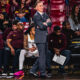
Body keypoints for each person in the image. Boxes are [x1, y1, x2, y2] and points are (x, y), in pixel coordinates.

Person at [29, 1, 52, 78]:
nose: (42, 7)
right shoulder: (36, 16)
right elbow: (42, 26)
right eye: (40, 6)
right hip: (40, 38)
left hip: (44, 37)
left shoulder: (45, 14)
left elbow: (50, 23)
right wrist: (45, 23)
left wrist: (44, 23)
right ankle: (42, 73)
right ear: (36, 8)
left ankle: (32, 70)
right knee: (42, 56)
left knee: (43, 55)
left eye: (42, 5)